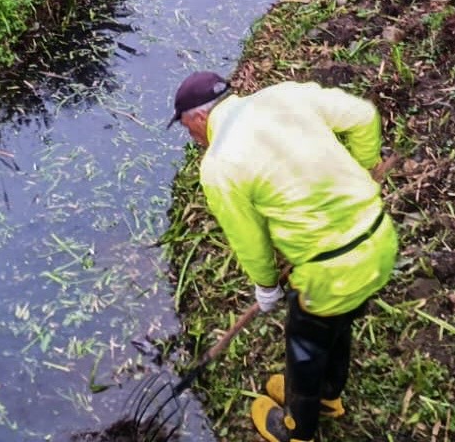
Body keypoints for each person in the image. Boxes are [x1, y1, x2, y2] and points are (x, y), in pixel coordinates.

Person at [169, 72, 397, 442]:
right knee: (337, 326)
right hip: (380, 241)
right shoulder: (284, 96)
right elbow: (362, 115)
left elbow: (250, 239)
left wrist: (266, 286)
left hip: (330, 271)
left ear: (198, 117)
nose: (193, 138)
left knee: (305, 346)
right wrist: (365, 171)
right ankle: (329, 397)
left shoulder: (219, 166)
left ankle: (297, 428)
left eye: (187, 128)